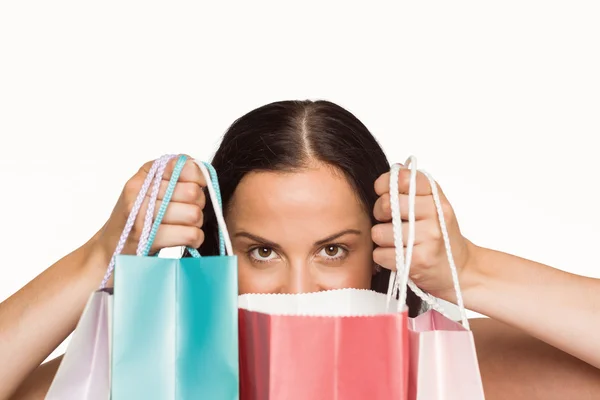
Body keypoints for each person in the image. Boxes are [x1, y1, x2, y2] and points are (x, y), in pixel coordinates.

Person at [1, 100, 599, 399]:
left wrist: (473, 271)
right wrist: (98, 257)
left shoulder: (449, 369)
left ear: (385, 251)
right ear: (217, 256)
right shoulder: (149, 376)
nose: (298, 293)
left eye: (333, 251)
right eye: (262, 252)